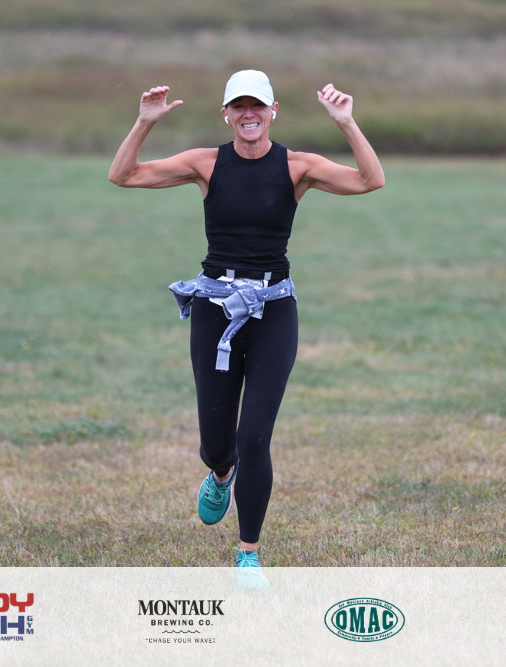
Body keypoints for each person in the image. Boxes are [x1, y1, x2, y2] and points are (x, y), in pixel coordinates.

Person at [109, 70, 384, 584]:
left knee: (255, 434)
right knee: (217, 444)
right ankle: (220, 472)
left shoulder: (298, 167)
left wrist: (346, 122)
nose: (249, 114)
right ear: (226, 114)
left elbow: (370, 180)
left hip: (273, 310)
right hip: (215, 309)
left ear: (273, 111)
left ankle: (248, 554)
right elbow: (123, 175)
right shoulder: (206, 163)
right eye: (239, 106)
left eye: (258, 105)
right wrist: (144, 122)